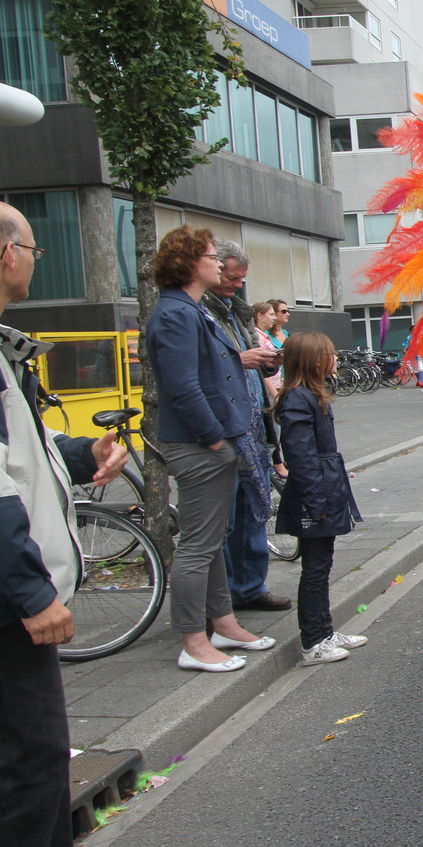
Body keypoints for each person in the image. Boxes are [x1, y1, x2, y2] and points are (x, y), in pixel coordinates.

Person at [0, 196, 130, 847]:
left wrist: (79, 453)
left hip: (4, 592)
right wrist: (30, 593)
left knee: (37, 751)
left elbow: (15, 452)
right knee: (22, 756)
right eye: (33, 249)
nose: (36, 260)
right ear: (8, 254)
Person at [146, 227, 280, 674]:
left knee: (210, 541)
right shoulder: (175, 314)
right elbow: (183, 386)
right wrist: (214, 439)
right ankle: (194, 641)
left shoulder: (191, 310)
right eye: (210, 257)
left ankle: (223, 624)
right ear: (188, 264)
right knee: (198, 547)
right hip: (200, 444)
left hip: (211, 441)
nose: (218, 264)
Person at [201, 240, 288, 612]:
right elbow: (196, 368)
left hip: (251, 426)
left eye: (242, 279)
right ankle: (224, 599)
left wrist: (266, 362)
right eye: (233, 278)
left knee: (253, 507)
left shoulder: (235, 310)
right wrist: (241, 360)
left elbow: (245, 359)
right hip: (223, 429)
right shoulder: (194, 311)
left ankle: (250, 587)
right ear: (213, 267)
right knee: (225, 517)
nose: (239, 285)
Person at [273, 332, 365, 666]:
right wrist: (316, 502)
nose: (336, 358)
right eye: (330, 353)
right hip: (315, 492)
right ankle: (313, 641)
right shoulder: (299, 399)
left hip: (323, 488)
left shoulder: (309, 395)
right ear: (314, 361)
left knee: (321, 564)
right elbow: (299, 456)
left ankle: (325, 633)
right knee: (314, 568)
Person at [251, 301, 285, 478]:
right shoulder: (256, 338)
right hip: (269, 391)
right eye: (271, 314)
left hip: (276, 386)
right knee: (271, 433)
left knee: (275, 432)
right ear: (259, 316)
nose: (274, 318)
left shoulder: (264, 337)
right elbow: (262, 372)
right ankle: (269, 471)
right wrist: (274, 394)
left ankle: (272, 468)